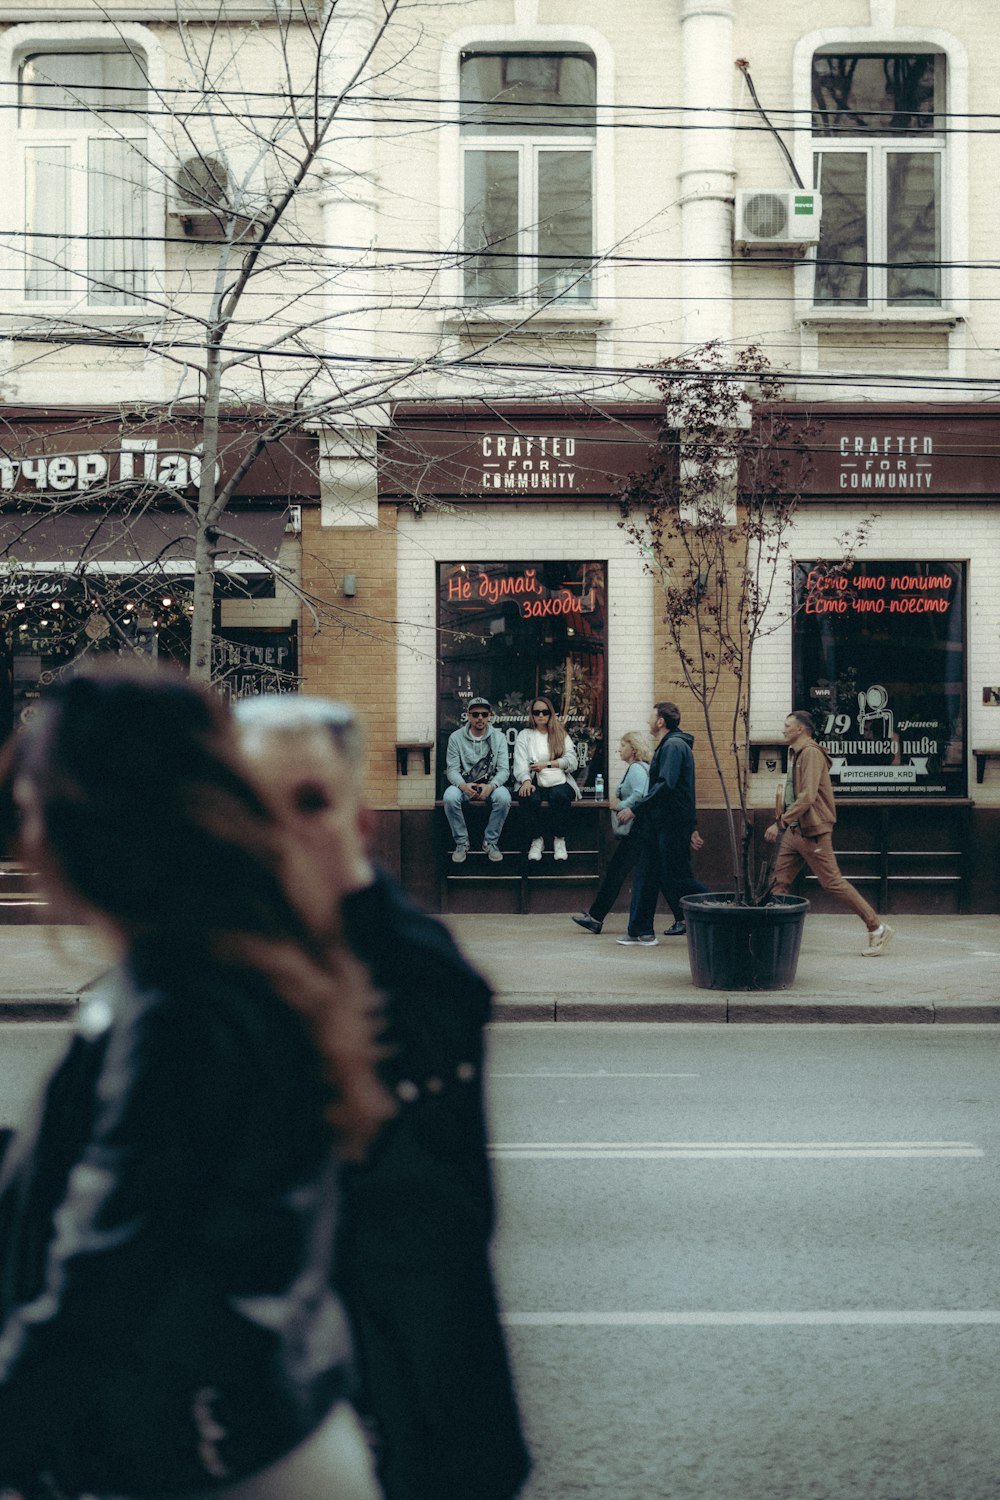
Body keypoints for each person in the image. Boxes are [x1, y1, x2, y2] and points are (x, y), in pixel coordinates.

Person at [0, 663, 390, 1500]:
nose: (21, 822)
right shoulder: (212, 964)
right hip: (264, 1437)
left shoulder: (183, 1009)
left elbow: (101, 1293)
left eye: (31, 799)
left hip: (209, 1461)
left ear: (89, 824)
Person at [234, 694, 531, 1500]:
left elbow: (424, 1223)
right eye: (256, 808)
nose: (283, 833)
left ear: (359, 823)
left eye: (310, 803)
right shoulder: (268, 946)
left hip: (407, 1402)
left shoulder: (409, 972)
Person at [765, 710, 895, 957]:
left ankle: (877, 927)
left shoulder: (811, 754)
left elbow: (808, 796)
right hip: (795, 832)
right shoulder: (797, 754)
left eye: (786, 726)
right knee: (778, 882)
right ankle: (775, 938)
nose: (783, 730)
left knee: (832, 882)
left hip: (812, 832)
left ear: (800, 730)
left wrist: (779, 822)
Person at [616, 701, 709, 946]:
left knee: (676, 877)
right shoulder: (670, 746)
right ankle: (640, 931)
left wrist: (635, 808)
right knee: (646, 875)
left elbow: (667, 786)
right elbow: (682, 790)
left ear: (660, 721)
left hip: (670, 825)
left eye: (651, 717)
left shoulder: (674, 746)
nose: (647, 721)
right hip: (660, 824)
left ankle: (724, 905)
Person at [571, 730, 650, 933]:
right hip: (642, 831)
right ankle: (596, 917)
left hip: (638, 832)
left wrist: (622, 805)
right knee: (655, 874)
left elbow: (641, 794)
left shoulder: (636, 769)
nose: (618, 749)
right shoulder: (638, 768)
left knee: (617, 872)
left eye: (623, 745)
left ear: (633, 749)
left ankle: (596, 918)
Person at [442, 696, 512, 863]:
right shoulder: (455, 738)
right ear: (468, 715)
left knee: (504, 798)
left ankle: (490, 842)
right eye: (475, 714)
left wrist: (492, 786)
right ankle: (461, 842)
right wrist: (462, 785)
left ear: (489, 716)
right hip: (465, 785)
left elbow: (504, 770)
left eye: (484, 714)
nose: (480, 718)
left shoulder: (499, 737)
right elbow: (452, 769)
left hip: (490, 785)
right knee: (449, 797)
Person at [512, 696, 579, 861]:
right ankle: (536, 840)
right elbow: (519, 762)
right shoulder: (525, 735)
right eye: (536, 712)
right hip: (534, 780)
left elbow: (572, 761)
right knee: (527, 797)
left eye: (545, 712)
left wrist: (548, 765)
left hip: (559, 780)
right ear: (532, 715)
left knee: (560, 796)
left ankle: (559, 839)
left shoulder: (560, 734)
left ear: (550, 713)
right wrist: (525, 780)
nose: (541, 715)